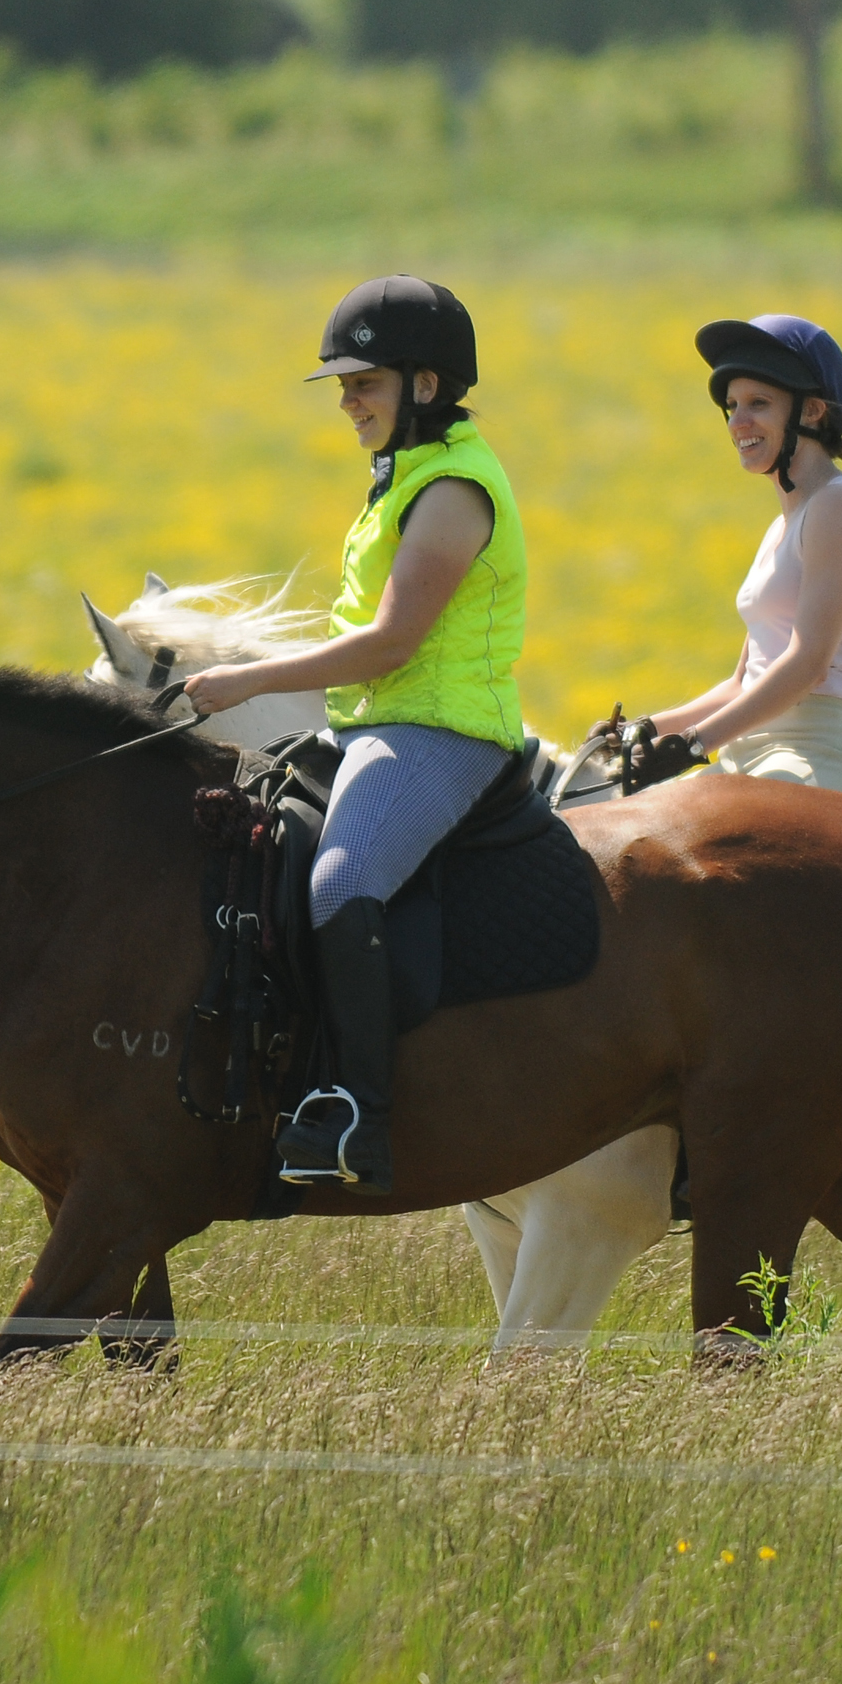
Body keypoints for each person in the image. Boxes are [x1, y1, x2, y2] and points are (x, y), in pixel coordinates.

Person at [180, 276, 527, 1195]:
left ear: (425, 385)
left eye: (363, 384)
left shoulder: (452, 490)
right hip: (376, 727)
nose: (347, 403)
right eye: (342, 387)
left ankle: (358, 1113)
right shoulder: (402, 478)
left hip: (443, 733)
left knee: (341, 882)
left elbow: (391, 643)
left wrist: (248, 679)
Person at [616, 315, 842, 799]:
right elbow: (741, 683)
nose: (737, 422)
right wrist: (643, 730)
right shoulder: (782, 527)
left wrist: (693, 745)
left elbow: (808, 665)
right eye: (732, 406)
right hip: (746, 749)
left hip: (821, 750)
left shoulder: (840, 505)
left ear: (812, 411)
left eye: (758, 403)